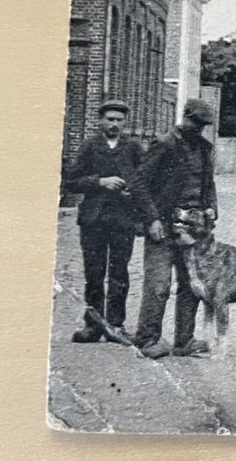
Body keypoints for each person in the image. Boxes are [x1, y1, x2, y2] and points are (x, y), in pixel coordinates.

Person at [132, 98, 218, 358]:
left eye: (204, 126)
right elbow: (139, 184)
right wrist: (152, 219)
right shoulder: (164, 143)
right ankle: (147, 340)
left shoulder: (204, 148)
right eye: (197, 124)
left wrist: (211, 206)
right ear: (185, 117)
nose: (200, 130)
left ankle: (184, 341)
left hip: (194, 227)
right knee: (158, 285)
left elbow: (208, 182)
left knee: (190, 284)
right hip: (164, 225)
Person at [64, 98, 144, 342]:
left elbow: (144, 179)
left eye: (119, 120)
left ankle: (116, 326)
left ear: (125, 123)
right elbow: (70, 181)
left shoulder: (133, 148)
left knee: (119, 273)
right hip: (93, 219)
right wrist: (100, 182)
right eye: (110, 119)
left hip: (122, 219)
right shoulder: (89, 146)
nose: (114, 124)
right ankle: (93, 325)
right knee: (94, 273)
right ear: (100, 121)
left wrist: (131, 190)